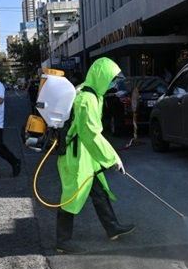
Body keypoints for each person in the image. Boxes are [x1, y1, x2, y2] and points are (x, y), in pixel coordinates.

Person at [56, 57, 136, 254]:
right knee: (72, 194)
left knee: (98, 190)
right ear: (101, 77)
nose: (113, 84)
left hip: (85, 153)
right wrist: (112, 158)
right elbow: (90, 133)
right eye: (111, 79)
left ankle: (112, 227)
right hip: (77, 154)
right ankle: (63, 241)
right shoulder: (86, 99)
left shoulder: (92, 91)